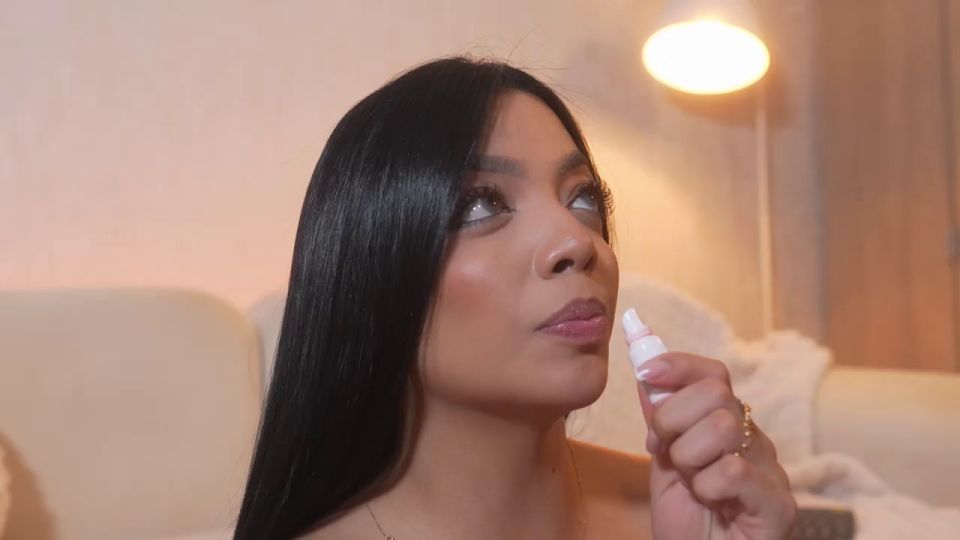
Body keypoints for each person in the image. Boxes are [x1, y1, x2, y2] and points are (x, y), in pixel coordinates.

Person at [233, 55, 797, 540]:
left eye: (583, 197)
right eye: (482, 204)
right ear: (371, 274)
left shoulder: (692, 515)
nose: (577, 241)